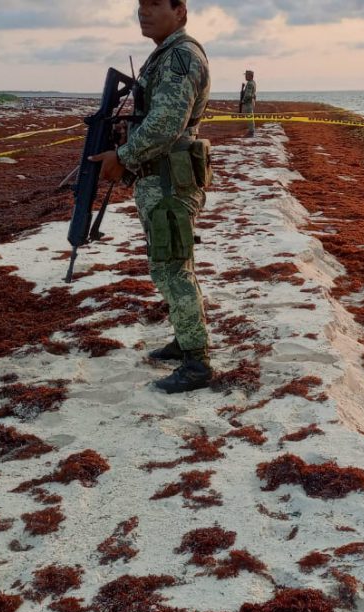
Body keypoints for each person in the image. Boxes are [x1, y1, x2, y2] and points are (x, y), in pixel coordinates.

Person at [89, 0, 213, 394]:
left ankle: (197, 363)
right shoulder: (164, 54)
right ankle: (185, 340)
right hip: (160, 177)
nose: (143, 12)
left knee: (172, 267)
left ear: (180, 11)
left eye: (155, 4)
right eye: (140, 5)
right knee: (171, 263)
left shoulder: (179, 56)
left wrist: (122, 157)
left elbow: (165, 124)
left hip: (169, 181)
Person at [239, 69, 257, 136]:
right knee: (250, 117)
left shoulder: (249, 83)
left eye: (246, 75)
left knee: (250, 117)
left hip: (249, 102)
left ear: (250, 76)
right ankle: (251, 131)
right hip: (251, 101)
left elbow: (248, 94)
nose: (245, 77)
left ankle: (251, 131)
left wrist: (243, 101)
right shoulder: (253, 82)